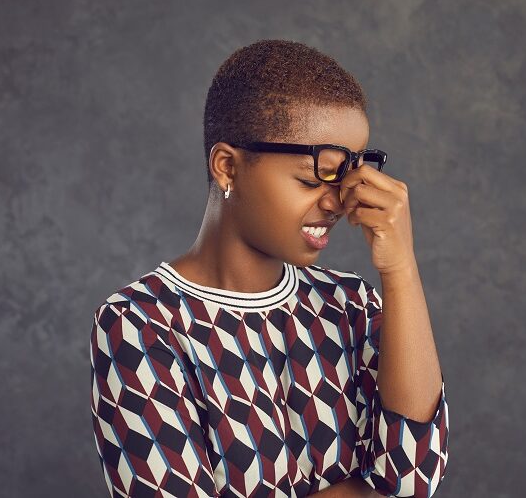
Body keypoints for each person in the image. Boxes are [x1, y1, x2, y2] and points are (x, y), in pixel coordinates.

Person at [90, 39, 449, 497]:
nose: (336, 202)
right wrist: (358, 489)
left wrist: (400, 269)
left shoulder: (351, 304)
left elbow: (414, 480)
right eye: (309, 179)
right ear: (227, 167)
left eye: (345, 179)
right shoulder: (141, 322)